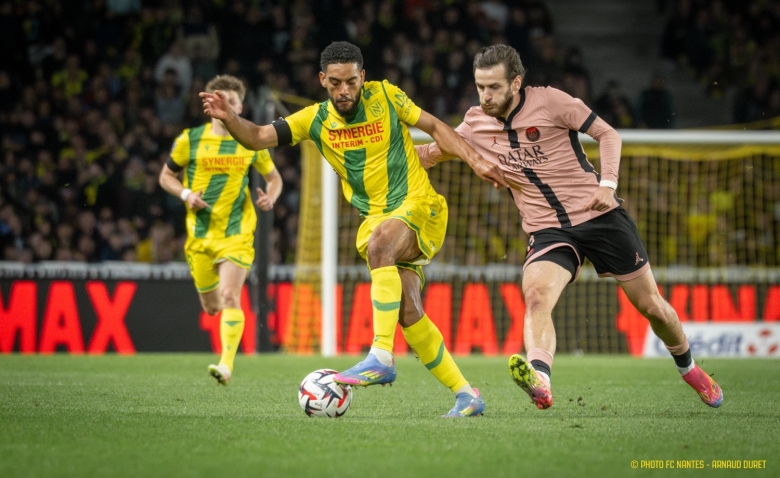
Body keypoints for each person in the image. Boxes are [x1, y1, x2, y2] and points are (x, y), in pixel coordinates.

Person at [201, 41, 507, 417]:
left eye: (351, 82)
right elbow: (258, 137)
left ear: (363, 77)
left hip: (418, 206)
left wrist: (474, 160)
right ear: (322, 80)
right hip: (379, 219)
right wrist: (229, 118)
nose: (344, 91)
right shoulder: (314, 119)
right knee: (408, 312)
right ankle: (467, 395)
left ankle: (380, 354)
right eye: (335, 83)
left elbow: (434, 127)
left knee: (379, 245)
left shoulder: (386, 96)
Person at [417, 44, 723, 410]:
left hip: (599, 216)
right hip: (547, 230)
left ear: (516, 83)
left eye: (494, 87)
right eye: (480, 87)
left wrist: (607, 185)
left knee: (653, 308)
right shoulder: (474, 124)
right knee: (535, 296)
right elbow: (430, 154)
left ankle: (690, 369)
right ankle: (540, 379)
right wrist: (377, 155)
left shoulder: (552, 102)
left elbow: (609, 135)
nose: (485, 96)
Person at [159, 74, 282, 385]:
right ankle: (225, 353)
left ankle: (226, 365)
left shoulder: (250, 141)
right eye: (220, 101)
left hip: (237, 233)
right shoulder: (190, 139)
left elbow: (275, 179)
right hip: (200, 237)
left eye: (232, 102)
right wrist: (186, 194)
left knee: (229, 295)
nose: (226, 107)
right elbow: (165, 177)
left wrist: (271, 197)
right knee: (212, 307)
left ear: (239, 107)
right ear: (210, 106)